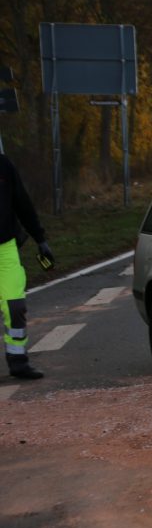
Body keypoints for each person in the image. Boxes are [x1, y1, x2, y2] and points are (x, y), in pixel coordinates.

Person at [1, 154, 54, 379]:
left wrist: (40, 239)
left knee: (15, 306)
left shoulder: (4, 165)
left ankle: (18, 361)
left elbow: (22, 202)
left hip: (5, 247)